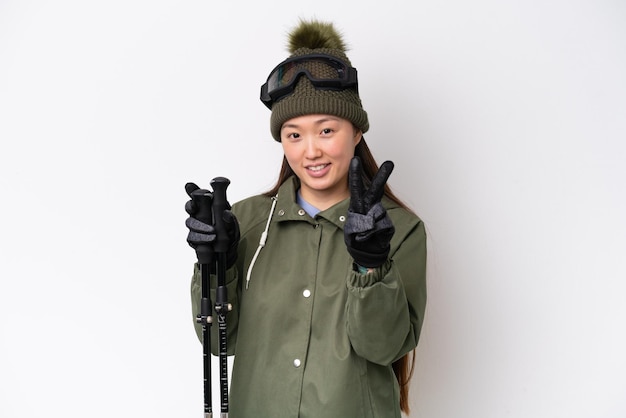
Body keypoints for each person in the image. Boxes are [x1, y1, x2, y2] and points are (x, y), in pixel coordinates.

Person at [185, 18, 427, 418]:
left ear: (357, 132)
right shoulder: (246, 221)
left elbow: (382, 348)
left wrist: (371, 267)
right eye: (294, 135)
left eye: (327, 130)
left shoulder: (399, 230)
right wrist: (215, 266)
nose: (310, 151)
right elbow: (218, 343)